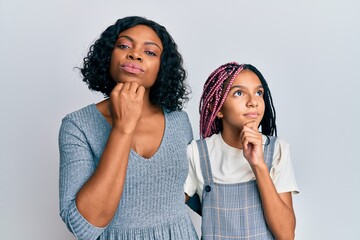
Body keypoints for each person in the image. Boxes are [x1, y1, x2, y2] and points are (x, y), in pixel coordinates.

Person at [58, 16, 199, 240]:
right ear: (108, 56)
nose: (135, 54)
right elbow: (83, 226)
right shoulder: (77, 126)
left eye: (150, 52)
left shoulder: (179, 121)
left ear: (161, 68)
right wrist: (122, 128)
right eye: (124, 46)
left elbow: (193, 192)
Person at [184, 62, 299, 239]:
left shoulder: (277, 150)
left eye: (258, 93)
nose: (253, 102)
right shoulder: (197, 153)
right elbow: (167, 213)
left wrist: (259, 165)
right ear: (218, 108)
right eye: (239, 93)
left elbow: (286, 234)